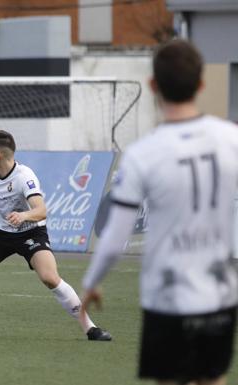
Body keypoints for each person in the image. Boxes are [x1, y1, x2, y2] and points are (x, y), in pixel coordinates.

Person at [80, 39, 238, 385]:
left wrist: (92, 282)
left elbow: (114, 235)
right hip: (220, 292)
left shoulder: (143, 154)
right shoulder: (231, 139)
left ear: (153, 85)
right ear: (201, 84)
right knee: (213, 378)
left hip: (168, 295)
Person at [0, 129, 112, 340]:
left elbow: (41, 210)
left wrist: (24, 215)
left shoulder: (24, 177)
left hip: (31, 233)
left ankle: (91, 328)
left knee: (49, 278)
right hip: (1, 233)